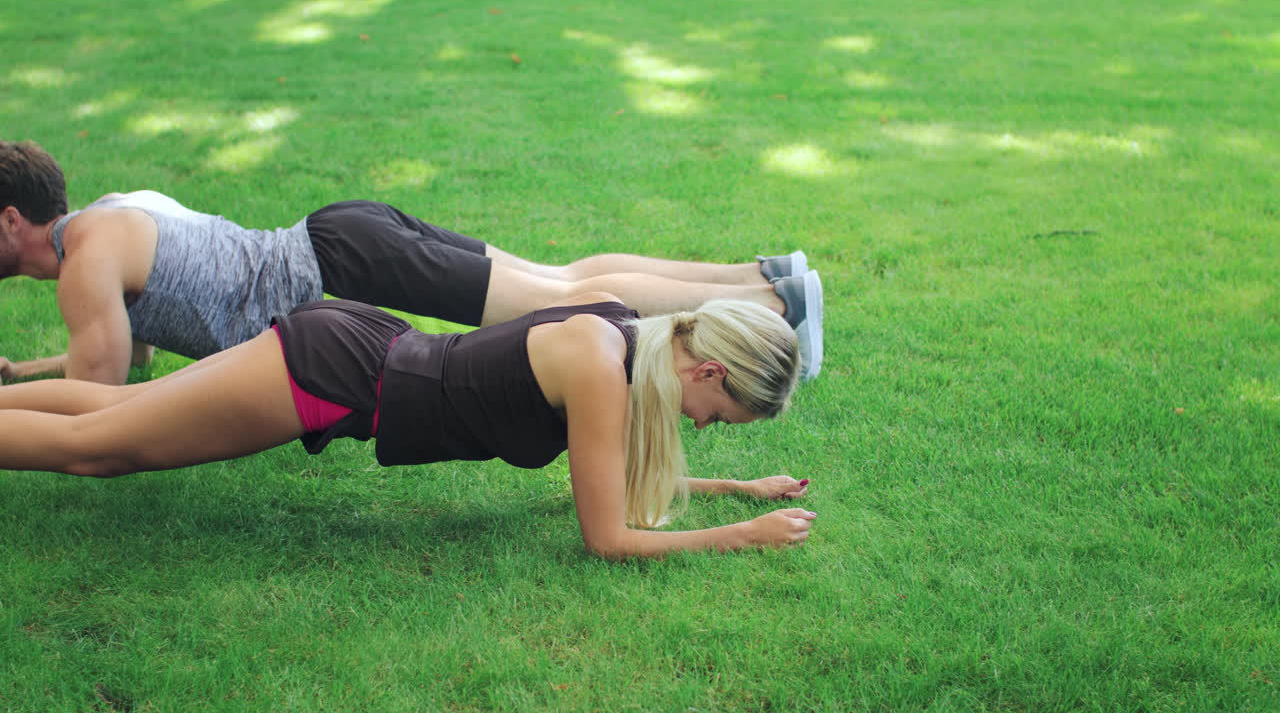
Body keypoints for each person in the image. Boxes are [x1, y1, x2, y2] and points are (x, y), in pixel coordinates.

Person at [0, 293, 817, 558]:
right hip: (338, 376)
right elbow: (608, 536)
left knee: (113, 412)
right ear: (707, 370)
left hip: (355, 350)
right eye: (719, 416)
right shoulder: (602, 374)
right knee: (99, 450)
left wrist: (737, 487)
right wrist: (742, 531)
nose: (705, 428)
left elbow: (617, 469)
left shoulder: (626, 339)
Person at [0, 140, 824, 385]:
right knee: (567, 277)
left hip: (345, 265)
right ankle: (765, 276)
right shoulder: (108, 221)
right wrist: (18, 373)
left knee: (573, 299)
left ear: (11, 220)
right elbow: (131, 353)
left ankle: (771, 302)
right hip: (345, 239)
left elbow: (98, 391)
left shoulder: (85, 261)